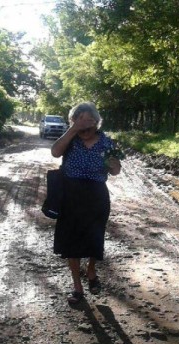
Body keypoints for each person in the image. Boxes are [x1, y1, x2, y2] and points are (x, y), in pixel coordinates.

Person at [50, 102, 122, 304]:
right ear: (73, 122)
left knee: (94, 238)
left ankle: (91, 270)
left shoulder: (107, 142)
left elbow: (115, 170)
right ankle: (77, 287)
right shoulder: (70, 140)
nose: (84, 126)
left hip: (96, 196)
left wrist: (114, 165)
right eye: (79, 120)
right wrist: (73, 129)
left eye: (89, 121)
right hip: (71, 196)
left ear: (97, 123)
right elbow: (55, 152)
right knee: (71, 242)